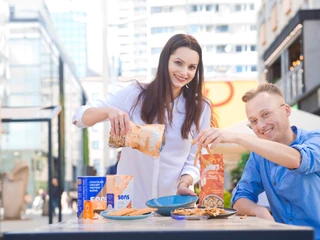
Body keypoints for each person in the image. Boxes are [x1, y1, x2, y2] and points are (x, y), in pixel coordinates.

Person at [72, 34, 217, 208]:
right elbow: (79, 117)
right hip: (130, 205)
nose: (184, 72)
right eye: (178, 63)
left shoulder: (200, 107)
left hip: (174, 207)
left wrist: (184, 183)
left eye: (192, 67)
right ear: (165, 61)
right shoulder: (135, 94)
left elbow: (195, 158)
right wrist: (108, 111)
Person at [194, 83, 320, 240]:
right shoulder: (259, 156)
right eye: (253, 121)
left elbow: (296, 159)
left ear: (286, 110)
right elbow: (240, 197)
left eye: (266, 114)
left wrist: (238, 137)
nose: (260, 125)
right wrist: (259, 211)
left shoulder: (315, 139)